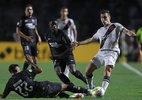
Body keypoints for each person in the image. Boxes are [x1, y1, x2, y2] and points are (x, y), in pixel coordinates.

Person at [75, 10, 136, 96]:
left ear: (109, 17)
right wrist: (79, 43)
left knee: (107, 70)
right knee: (88, 71)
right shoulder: (100, 30)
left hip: (112, 52)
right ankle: (91, 88)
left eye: (105, 17)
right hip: (101, 52)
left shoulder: (116, 25)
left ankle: (102, 91)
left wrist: (130, 33)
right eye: (101, 18)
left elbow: (125, 30)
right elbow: (91, 40)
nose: (103, 20)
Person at [0, 54, 91, 98]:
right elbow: (40, 70)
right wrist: (32, 62)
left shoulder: (9, 84)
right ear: (17, 70)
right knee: (66, 86)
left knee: (56, 92)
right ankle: (89, 91)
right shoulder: (23, 73)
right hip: (42, 87)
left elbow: (3, 96)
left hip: (37, 95)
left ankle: (72, 97)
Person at [44, 19, 87, 85]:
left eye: (55, 24)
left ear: (57, 25)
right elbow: (50, 46)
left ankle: (87, 82)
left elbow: (70, 47)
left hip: (67, 54)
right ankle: (72, 86)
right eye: (52, 25)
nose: (54, 26)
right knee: (59, 72)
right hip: (57, 56)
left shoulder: (62, 34)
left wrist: (60, 55)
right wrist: (53, 55)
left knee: (73, 71)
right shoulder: (47, 35)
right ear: (49, 26)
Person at [16, 4, 42, 70]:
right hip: (26, 42)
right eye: (28, 10)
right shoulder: (22, 19)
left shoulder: (34, 19)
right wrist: (26, 37)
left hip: (33, 41)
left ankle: (28, 75)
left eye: (30, 9)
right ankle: (25, 73)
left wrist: (39, 37)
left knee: (34, 60)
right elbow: (18, 31)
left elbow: (35, 28)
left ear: (32, 11)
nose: (29, 11)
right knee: (29, 58)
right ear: (25, 11)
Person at [57, 7, 77, 77]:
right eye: (63, 11)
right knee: (63, 56)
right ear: (60, 12)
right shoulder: (57, 22)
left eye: (65, 11)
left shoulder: (70, 21)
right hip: (61, 42)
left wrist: (75, 40)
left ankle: (66, 73)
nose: (64, 13)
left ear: (67, 13)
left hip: (69, 42)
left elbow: (74, 30)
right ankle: (65, 72)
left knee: (67, 55)